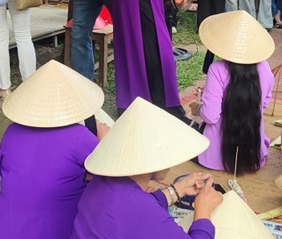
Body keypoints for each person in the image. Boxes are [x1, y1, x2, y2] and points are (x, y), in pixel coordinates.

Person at [72, 97, 223, 239]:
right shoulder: (139, 207)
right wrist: (203, 211)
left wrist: (177, 190)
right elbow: (141, 210)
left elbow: (136, 209)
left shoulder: (103, 180)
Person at [0, 60, 106, 239]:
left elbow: (3, 168)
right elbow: (111, 175)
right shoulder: (79, 137)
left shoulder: (12, 131)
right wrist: (105, 142)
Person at [190, 11, 274, 174]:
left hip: (215, 156)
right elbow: (263, 104)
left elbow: (210, 115)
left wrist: (197, 108)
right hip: (253, 155)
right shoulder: (264, 67)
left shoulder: (217, 69)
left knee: (186, 134)